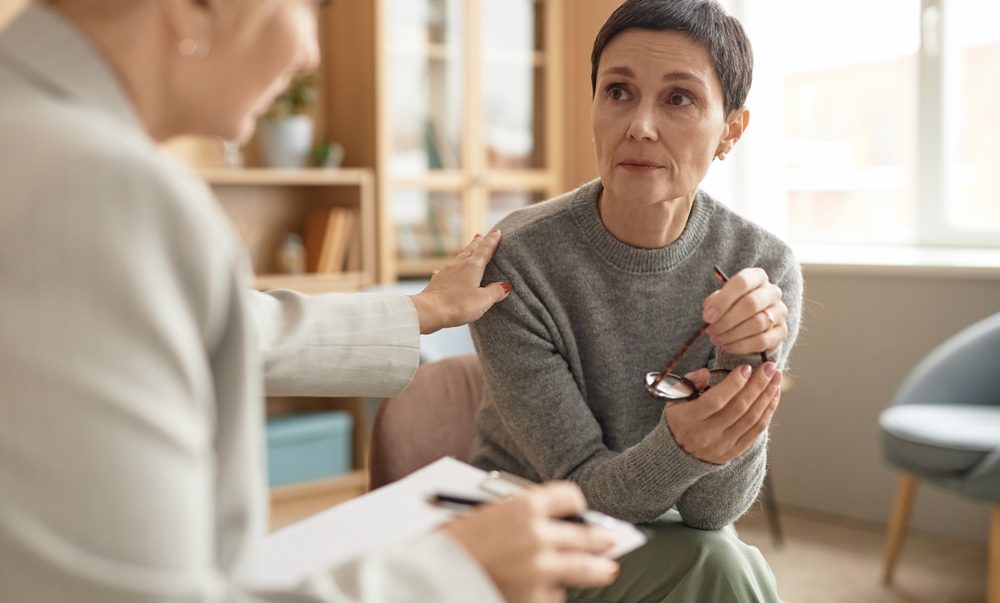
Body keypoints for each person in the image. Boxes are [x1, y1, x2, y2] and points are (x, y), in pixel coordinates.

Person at [0, 1, 621, 602]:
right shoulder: (98, 193)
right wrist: (454, 575)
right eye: (309, 6)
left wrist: (419, 311)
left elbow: (230, 323)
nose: (309, 54)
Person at [469, 0, 803, 601]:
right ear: (594, 106)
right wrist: (685, 446)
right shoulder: (516, 260)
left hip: (671, 531)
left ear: (730, 130)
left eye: (679, 99)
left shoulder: (763, 270)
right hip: (529, 525)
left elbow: (712, 510)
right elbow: (579, 491)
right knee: (723, 568)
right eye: (618, 91)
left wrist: (746, 358)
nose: (640, 125)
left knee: (717, 553)